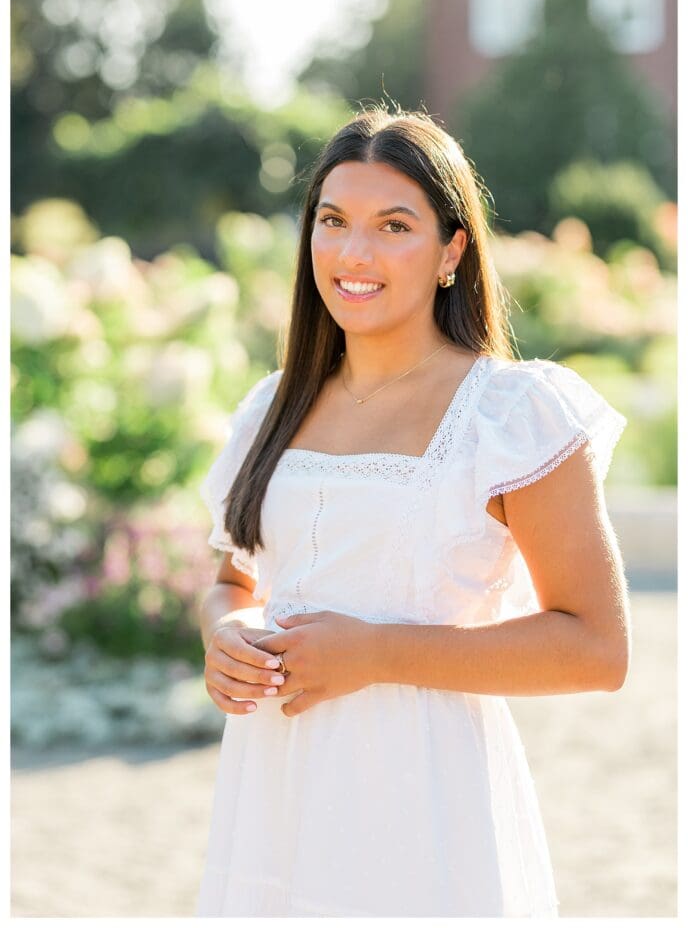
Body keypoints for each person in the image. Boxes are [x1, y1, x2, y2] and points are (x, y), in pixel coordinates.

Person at [194, 105, 630, 917]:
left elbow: (597, 649)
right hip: (272, 791)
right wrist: (222, 634)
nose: (354, 253)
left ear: (451, 251)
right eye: (333, 220)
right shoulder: (271, 408)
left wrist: (377, 654)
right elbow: (233, 579)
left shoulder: (509, 415)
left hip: (424, 801)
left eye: (393, 226)